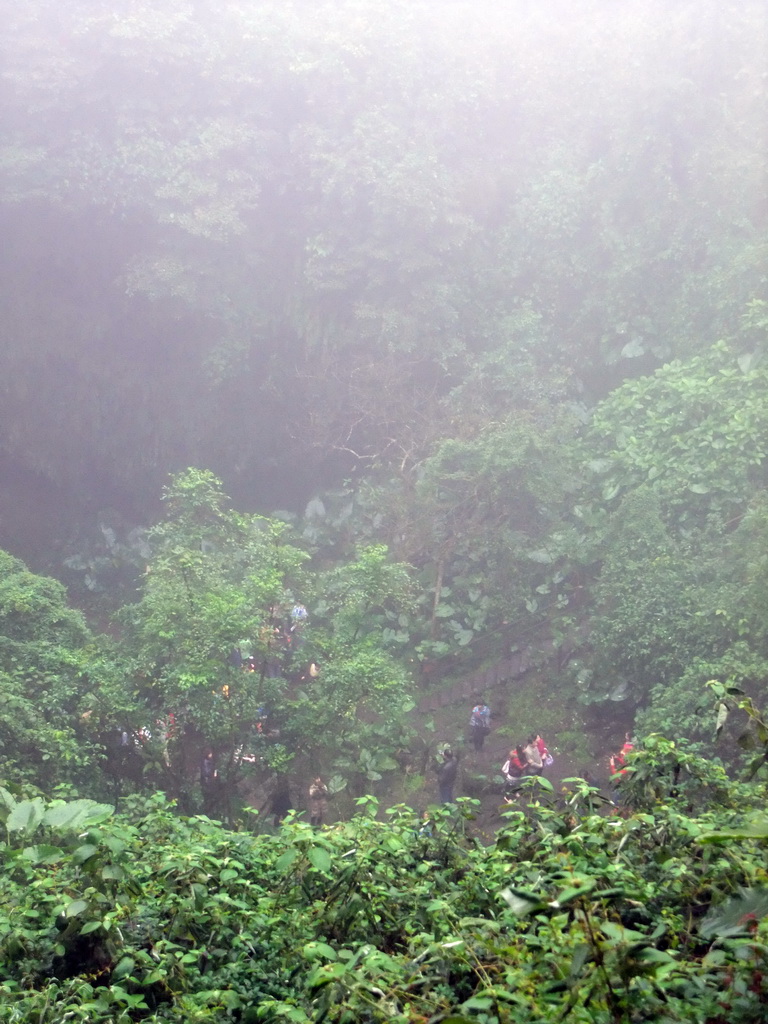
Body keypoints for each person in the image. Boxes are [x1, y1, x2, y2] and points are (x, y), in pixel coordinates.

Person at [200, 749, 219, 816]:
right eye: (210, 754)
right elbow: (206, 771)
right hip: (207, 779)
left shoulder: (209, 761)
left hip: (209, 778)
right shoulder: (206, 762)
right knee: (208, 793)